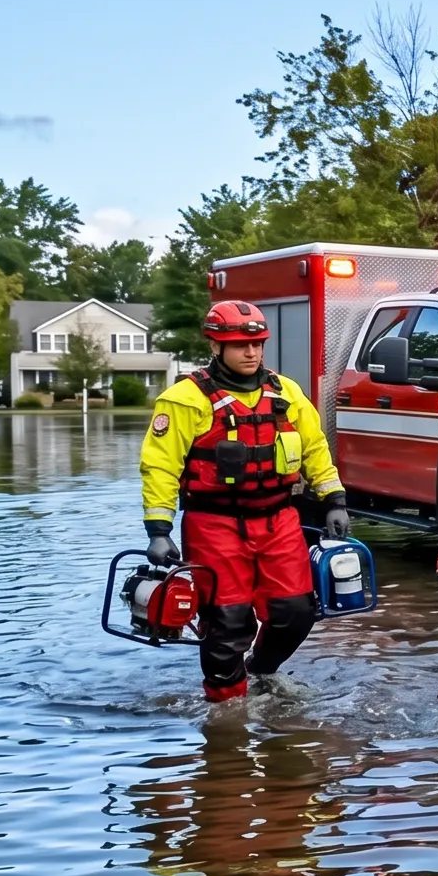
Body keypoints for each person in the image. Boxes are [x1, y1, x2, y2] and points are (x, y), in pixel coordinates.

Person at [137, 299, 350, 702]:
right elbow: (159, 466)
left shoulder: (286, 393)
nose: (251, 353)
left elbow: (315, 449)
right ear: (216, 347)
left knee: (296, 613)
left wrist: (334, 498)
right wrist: (159, 530)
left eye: (257, 345)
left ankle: (261, 672)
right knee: (227, 623)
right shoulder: (185, 399)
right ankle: (227, 710)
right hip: (214, 523)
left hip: (278, 518)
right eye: (239, 346)